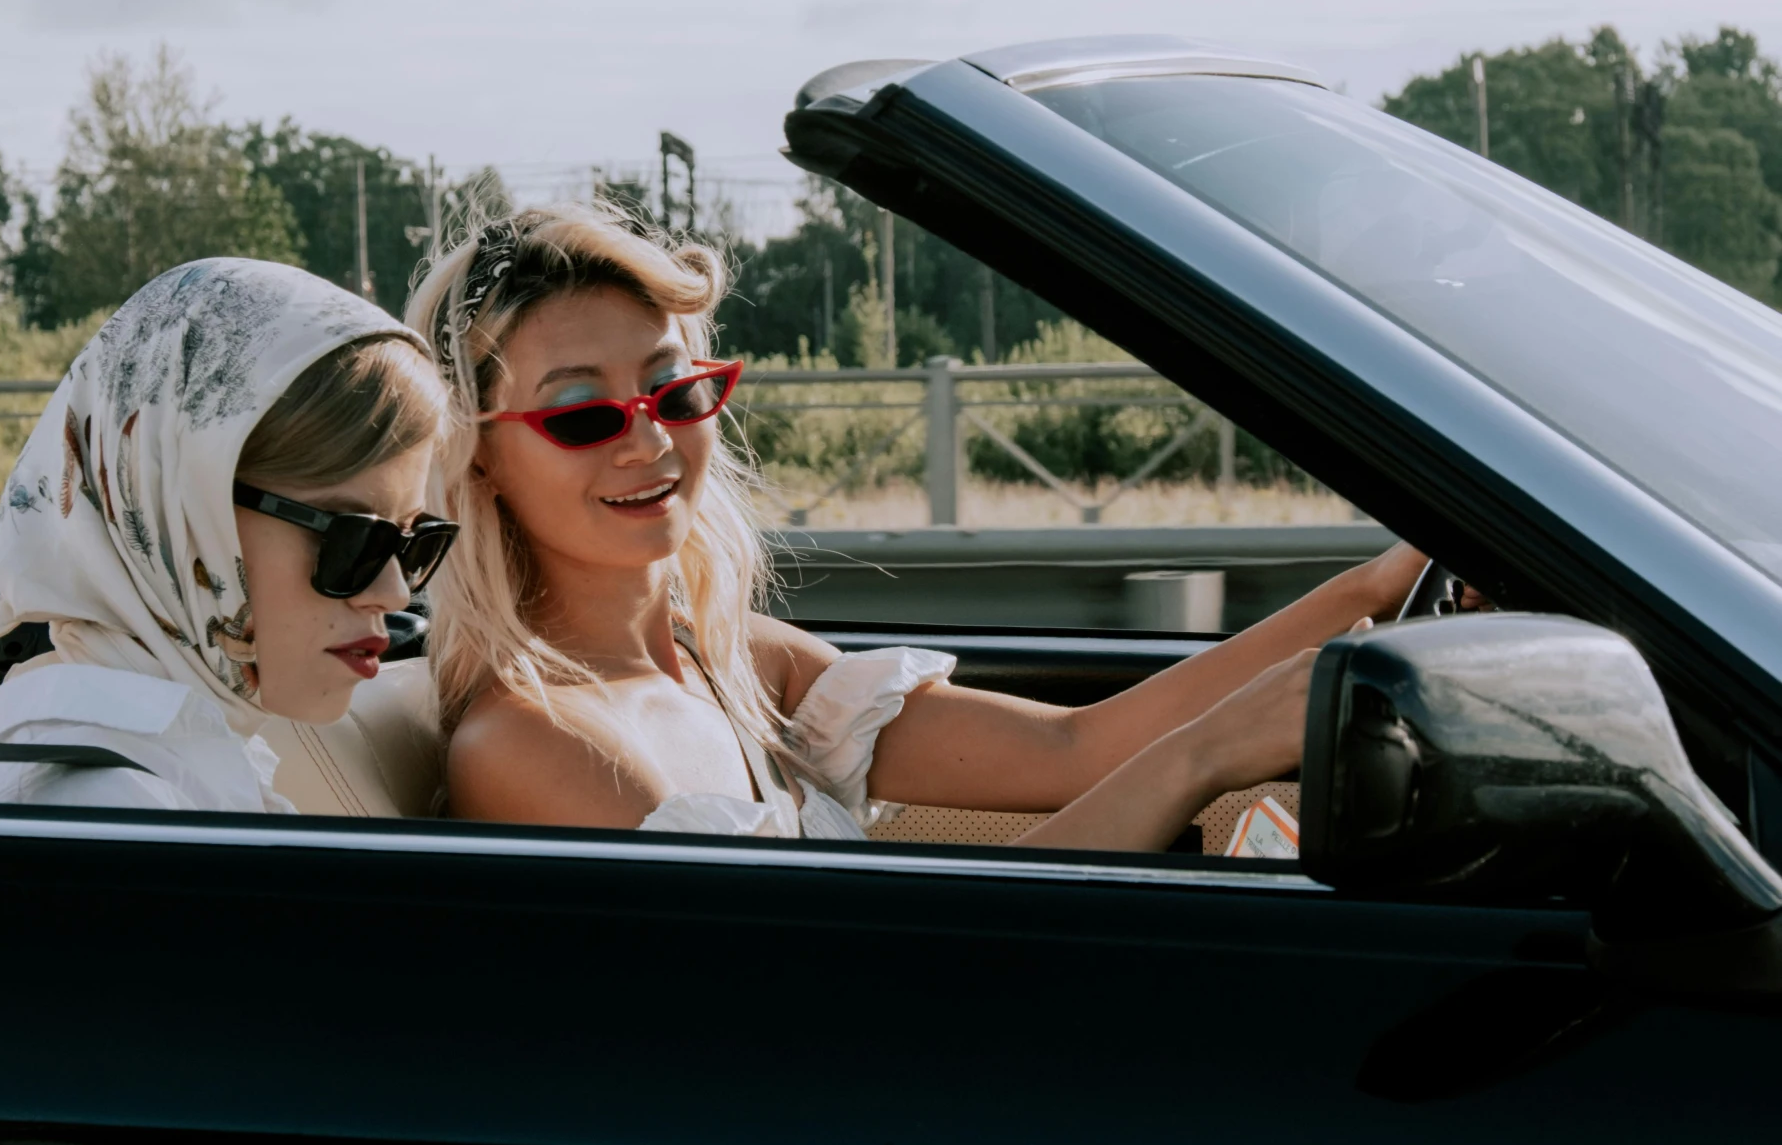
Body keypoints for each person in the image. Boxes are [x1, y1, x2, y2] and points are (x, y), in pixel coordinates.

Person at [404, 204, 1425, 850]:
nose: (648, 443)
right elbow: (856, 991)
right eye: (581, 412)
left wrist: (1369, 590)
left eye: (673, 393)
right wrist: (1199, 760)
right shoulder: (531, 742)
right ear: (478, 455)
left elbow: (1074, 749)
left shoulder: (742, 666)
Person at [0, 258, 457, 813]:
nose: (395, 593)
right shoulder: (104, 809)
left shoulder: (180, 764)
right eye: (355, 540)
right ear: (184, 510)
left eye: (414, 545)